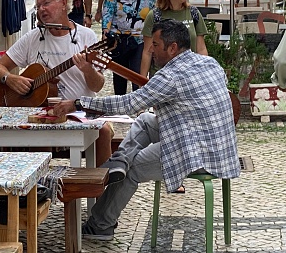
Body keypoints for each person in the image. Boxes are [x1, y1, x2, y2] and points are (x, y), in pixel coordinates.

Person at [52, 19, 241, 241]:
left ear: (172, 48)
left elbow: (129, 104)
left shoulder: (169, 76)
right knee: (144, 121)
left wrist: (78, 103)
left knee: (134, 169)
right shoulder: (210, 63)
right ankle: (119, 162)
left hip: (198, 153)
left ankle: (100, 225)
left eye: (156, 45)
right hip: (220, 146)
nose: (150, 49)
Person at [0, 0, 113, 166]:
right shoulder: (33, 38)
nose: (41, 10)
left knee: (103, 131)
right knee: (38, 133)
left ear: (63, 3)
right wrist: (10, 78)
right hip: (41, 114)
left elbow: (97, 86)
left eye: (46, 3)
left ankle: (101, 189)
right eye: (38, 6)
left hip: (79, 111)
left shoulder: (87, 37)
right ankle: (39, 190)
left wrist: (87, 69)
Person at [101, 0, 156, 94]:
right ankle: (120, 109)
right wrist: (105, 30)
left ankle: (138, 109)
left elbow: (154, 14)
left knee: (138, 75)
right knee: (119, 78)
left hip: (140, 40)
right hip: (119, 39)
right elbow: (107, 10)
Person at [140, 0, 208, 78]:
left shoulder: (194, 13)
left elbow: (201, 48)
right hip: (161, 78)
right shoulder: (154, 16)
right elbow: (147, 51)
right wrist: (141, 81)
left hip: (189, 77)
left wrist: (204, 74)